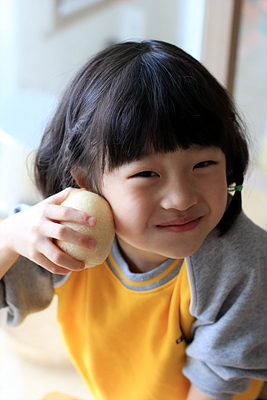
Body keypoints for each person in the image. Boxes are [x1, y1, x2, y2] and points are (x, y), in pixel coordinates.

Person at [0, 40, 267, 400]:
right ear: (87, 181)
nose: (182, 198)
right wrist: (9, 236)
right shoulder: (73, 236)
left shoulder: (240, 266)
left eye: (203, 165)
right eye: (147, 174)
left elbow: (218, 389)